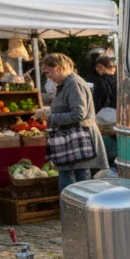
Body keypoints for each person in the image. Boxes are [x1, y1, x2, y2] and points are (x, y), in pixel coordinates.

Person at [40, 53, 109, 190]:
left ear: (59, 68)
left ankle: (77, 210)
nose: (48, 77)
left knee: (80, 184)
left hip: (78, 140)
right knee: (74, 182)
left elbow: (79, 114)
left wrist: (51, 118)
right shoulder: (67, 84)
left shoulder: (74, 84)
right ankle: (72, 209)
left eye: (48, 73)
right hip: (72, 141)